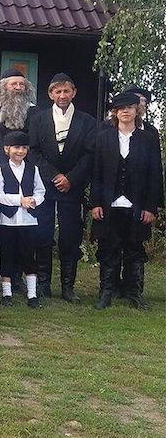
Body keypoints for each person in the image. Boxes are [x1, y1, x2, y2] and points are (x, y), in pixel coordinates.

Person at [29, 73, 96, 302]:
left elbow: (90, 154)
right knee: (43, 234)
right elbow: (34, 151)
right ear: (50, 95)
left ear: (73, 92)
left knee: (70, 236)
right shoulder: (39, 119)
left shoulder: (87, 121)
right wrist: (55, 175)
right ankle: (43, 283)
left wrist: (70, 178)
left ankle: (68, 287)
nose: (62, 95)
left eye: (66, 91)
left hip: (72, 187)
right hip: (45, 185)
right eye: (57, 91)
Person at [91, 92, 161, 310]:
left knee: (135, 250)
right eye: (120, 108)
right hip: (109, 203)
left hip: (137, 204)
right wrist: (95, 203)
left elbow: (155, 174)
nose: (125, 111)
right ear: (115, 112)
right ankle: (106, 293)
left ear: (136, 110)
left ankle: (135, 293)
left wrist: (151, 207)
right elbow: (97, 172)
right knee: (109, 249)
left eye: (129, 107)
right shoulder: (104, 137)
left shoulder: (148, 139)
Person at [0, 131, 47, 308]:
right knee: (7, 254)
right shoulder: (1, 170)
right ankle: (6, 293)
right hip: (8, 220)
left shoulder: (34, 169)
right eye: (16, 147)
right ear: (7, 149)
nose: (20, 151)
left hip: (29, 220)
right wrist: (18, 200)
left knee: (28, 256)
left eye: (24, 148)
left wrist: (34, 200)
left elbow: (40, 190)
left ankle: (32, 294)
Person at [0, 68, 37, 171]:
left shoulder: (34, 112)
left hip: (27, 167)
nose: (18, 87)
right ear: (3, 87)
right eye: (14, 84)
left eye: (22, 84)